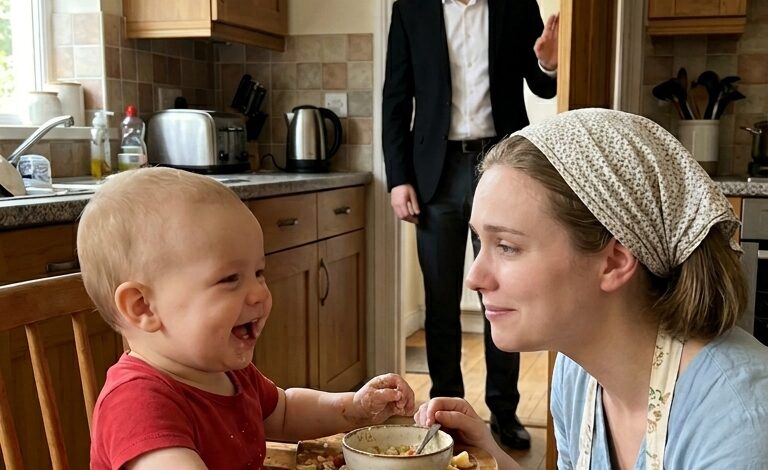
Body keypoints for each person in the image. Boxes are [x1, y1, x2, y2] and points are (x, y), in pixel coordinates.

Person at [414, 108, 768, 468]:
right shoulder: (577, 375)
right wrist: (489, 457)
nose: (474, 278)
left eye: (507, 246)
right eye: (480, 240)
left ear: (614, 262)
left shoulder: (738, 423)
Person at [78, 167, 416, 469]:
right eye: (230, 279)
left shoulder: (225, 372)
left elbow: (285, 411)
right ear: (143, 307)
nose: (259, 293)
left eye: (259, 273)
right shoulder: (137, 404)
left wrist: (354, 408)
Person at [382, 0, 558, 450]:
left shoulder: (517, 5)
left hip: (501, 165)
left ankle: (505, 411)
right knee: (440, 302)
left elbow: (542, 85)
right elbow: (395, 99)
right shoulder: (411, 9)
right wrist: (399, 178)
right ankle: (448, 412)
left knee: (504, 295)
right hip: (434, 174)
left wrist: (547, 61)